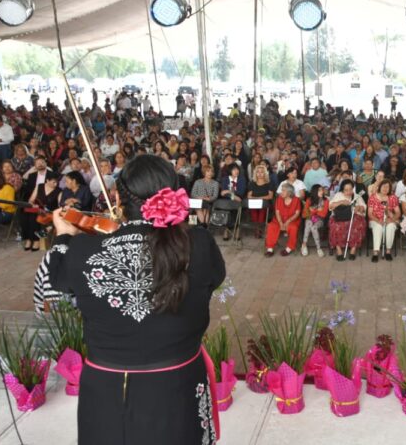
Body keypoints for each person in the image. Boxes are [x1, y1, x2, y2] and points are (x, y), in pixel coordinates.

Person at [44, 154, 225, 445]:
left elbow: (56, 281)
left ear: (116, 197)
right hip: (178, 386)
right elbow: (213, 280)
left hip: (106, 390)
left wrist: (64, 237)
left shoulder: (82, 249)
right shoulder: (199, 243)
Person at [20, 172, 61, 251]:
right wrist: (33, 204)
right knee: (23, 214)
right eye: (53, 182)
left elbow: (59, 206)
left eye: (57, 182)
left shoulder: (58, 191)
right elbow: (31, 200)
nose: (56, 184)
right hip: (37, 208)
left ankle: (35, 240)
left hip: (48, 212)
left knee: (34, 216)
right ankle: (28, 238)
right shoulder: (39, 186)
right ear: (47, 181)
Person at [329, 179, 367, 261]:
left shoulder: (356, 196)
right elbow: (331, 206)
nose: (349, 192)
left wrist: (359, 208)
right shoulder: (338, 195)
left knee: (357, 224)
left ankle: (353, 249)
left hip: (354, 216)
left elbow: (364, 207)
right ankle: (338, 249)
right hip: (340, 216)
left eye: (350, 189)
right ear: (342, 189)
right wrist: (341, 202)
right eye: (346, 190)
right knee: (336, 226)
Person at [264, 182, 302, 257]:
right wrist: (281, 223)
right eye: (282, 190)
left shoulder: (296, 200)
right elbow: (277, 212)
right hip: (279, 219)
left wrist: (287, 222)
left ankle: (289, 248)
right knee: (271, 226)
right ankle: (270, 249)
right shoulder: (279, 199)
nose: (281, 192)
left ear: (289, 192)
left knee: (293, 228)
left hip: (292, 220)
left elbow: (297, 213)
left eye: (283, 190)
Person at [367, 179, 400, 262]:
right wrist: (378, 221)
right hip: (375, 219)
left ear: (390, 189)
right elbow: (370, 214)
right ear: (379, 187)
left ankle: (388, 251)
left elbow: (398, 213)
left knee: (391, 227)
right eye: (383, 186)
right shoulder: (373, 197)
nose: (385, 188)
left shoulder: (393, 198)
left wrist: (391, 219)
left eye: (387, 187)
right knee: (378, 227)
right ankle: (375, 252)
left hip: (388, 219)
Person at [219, 164, 246, 241]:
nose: (236, 171)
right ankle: (226, 229)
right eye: (234, 169)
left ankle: (237, 229)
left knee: (237, 209)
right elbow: (222, 194)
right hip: (228, 200)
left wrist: (227, 192)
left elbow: (241, 192)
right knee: (226, 209)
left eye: (237, 169)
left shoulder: (242, 179)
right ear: (230, 171)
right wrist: (233, 196)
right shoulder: (225, 179)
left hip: (239, 200)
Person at [301, 185, 329, 257]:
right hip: (309, 219)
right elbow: (304, 214)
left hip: (320, 220)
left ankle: (318, 248)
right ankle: (304, 245)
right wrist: (317, 211)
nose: (322, 192)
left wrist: (313, 210)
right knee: (309, 223)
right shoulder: (309, 200)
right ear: (315, 191)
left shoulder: (326, 201)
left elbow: (323, 214)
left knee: (314, 227)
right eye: (319, 190)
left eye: (322, 190)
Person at [247, 164, 275, 236]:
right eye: (258, 172)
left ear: (265, 173)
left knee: (262, 208)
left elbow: (270, 196)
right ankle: (257, 228)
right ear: (255, 173)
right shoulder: (252, 183)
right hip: (254, 203)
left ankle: (258, 228)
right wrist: (259, 198)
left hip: (265, 203)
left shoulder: (269, 183)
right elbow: (249, 196)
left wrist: (257, 198)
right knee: (253, 208)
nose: (259, 174)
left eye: (262, 172)